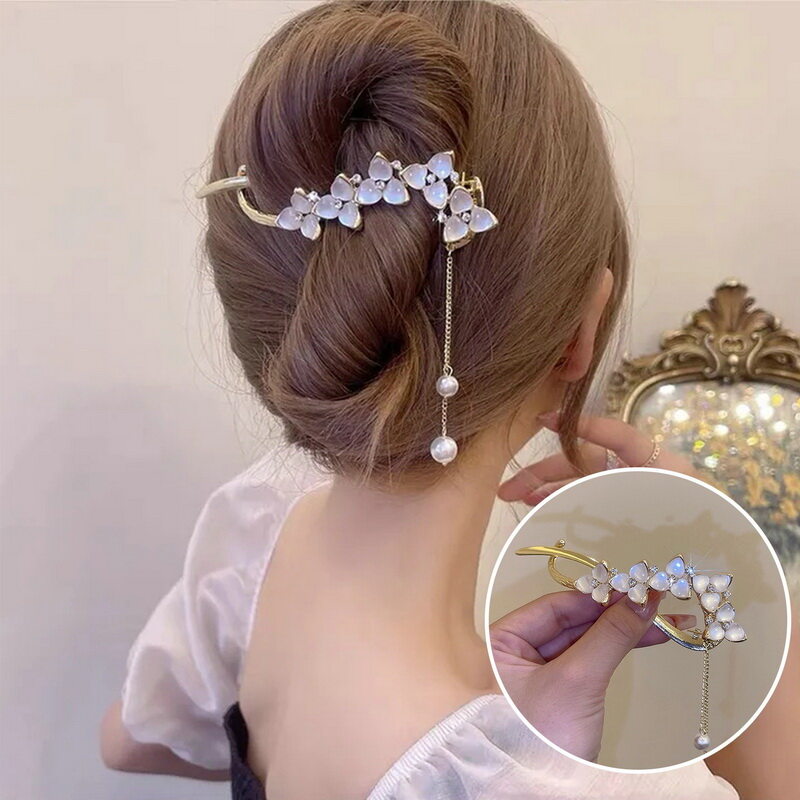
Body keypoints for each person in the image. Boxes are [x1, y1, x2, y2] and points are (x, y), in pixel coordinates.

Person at [98, 1, 768, 796]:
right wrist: (737, 559)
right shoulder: (573, 784)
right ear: (580, 332)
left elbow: (130, 742)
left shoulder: (260, 525)